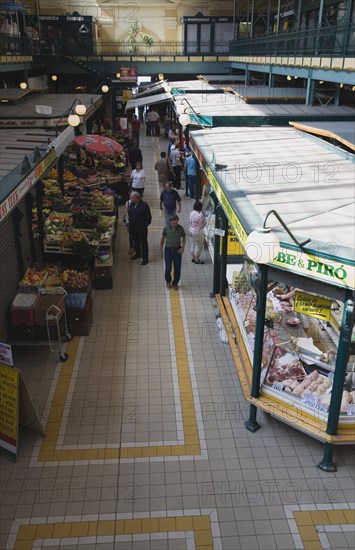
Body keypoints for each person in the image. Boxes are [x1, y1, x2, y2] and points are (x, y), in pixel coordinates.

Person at [160, 214, 186, 290]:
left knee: (177, 268)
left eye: (176, 222)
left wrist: (183, 247)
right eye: (173, 223)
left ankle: (175, 283)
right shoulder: (166, 228)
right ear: (170, 222)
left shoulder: (181, 228)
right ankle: (168, 281)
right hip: (168, 250)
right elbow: (162, 239)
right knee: (168, 267)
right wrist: (161, 250)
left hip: (177, 250)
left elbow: (184, 237)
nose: (175, 224)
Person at [127, 191, 152, 265]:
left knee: (143, 243)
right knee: (136, 241)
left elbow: (149, 218)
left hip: (142, 229)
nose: (130, 199)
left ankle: (145, 258)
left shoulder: (144, 205)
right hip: (133, 228)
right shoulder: (131, 204)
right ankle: (138, 254)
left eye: (132, 198)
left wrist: (145, 226)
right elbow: (129, 213)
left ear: (137, 198)